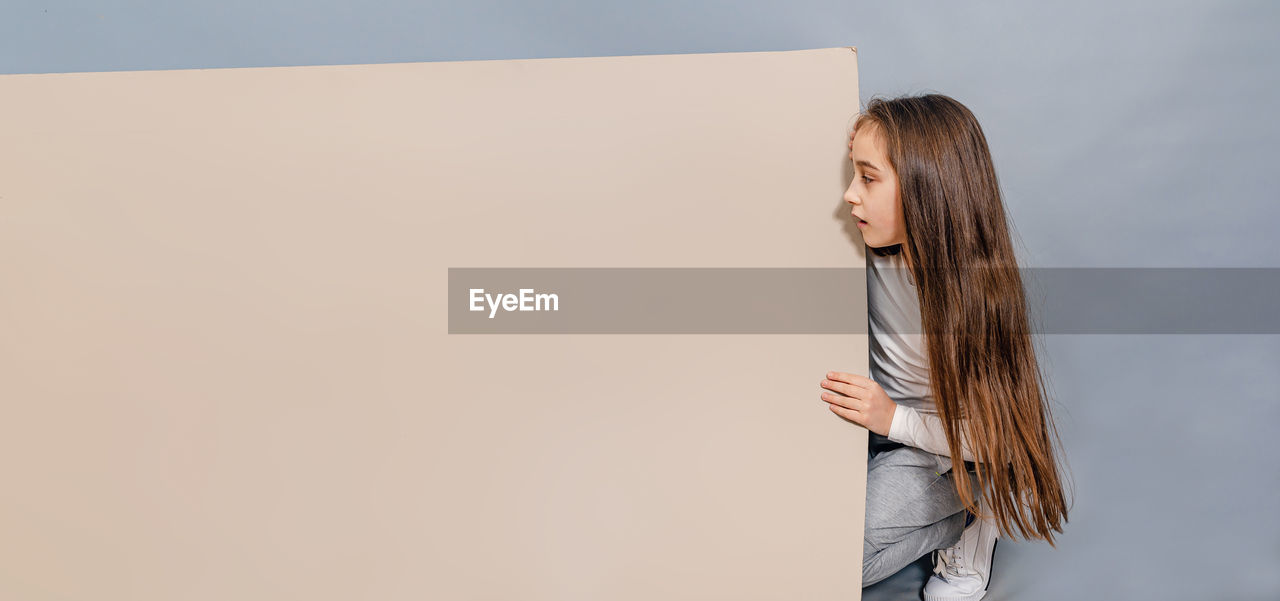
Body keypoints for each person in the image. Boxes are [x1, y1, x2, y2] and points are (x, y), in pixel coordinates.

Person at [817, 93, 1072, 601]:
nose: (849, 195)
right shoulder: (877, 244)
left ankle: (976, 510)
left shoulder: (975, 302)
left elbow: (996, 440)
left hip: (952, 447)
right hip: (878, 426)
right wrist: (870, 149)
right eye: (855, 174)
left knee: (826, 559)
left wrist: (893, 421)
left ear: (924, 189)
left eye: (867, 179)